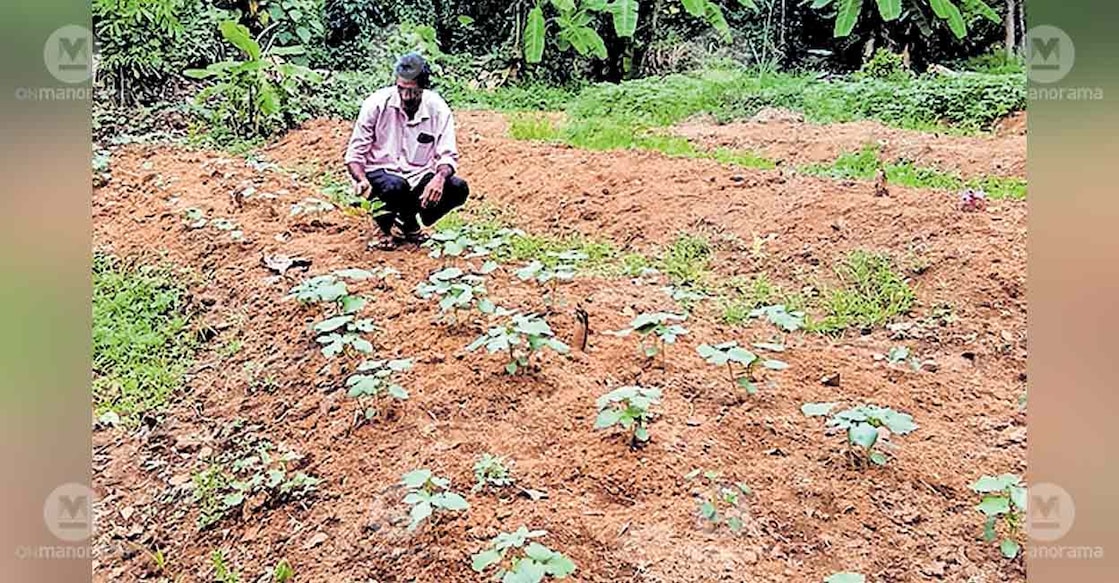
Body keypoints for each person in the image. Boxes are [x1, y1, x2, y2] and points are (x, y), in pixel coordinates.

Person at [344, 52, 469, 250]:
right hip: (380, 176)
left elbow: (447, 155)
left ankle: (406, 221)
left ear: (423, 88)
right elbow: (355, 154)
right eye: (401, 89)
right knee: (396, 186)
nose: (405, 96)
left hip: (417, 178)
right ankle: (385, 226)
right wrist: (361, 180)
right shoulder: (376, 104)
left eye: (411, 91)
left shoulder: (438, 109)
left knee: (457, 187)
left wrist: (439, 178)